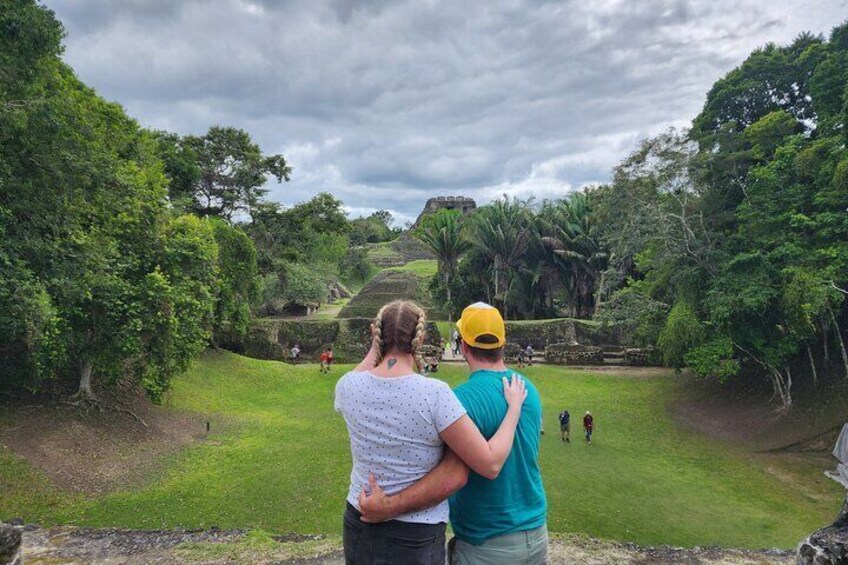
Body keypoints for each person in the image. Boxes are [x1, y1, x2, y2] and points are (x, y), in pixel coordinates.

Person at [335, 300, 527, 565]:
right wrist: (514, 408)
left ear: (376, 334)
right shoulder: (434, 394)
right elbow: (490, 463)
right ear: (420, 337)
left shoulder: (348, 386)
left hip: (359, 519)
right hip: (414, 533)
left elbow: (366, 369)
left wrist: (375, 344)